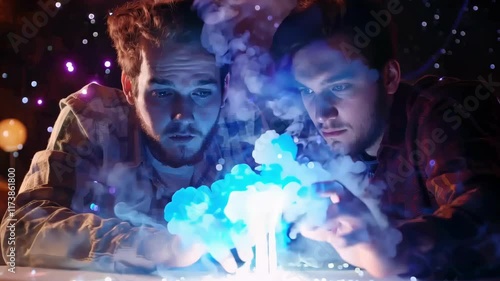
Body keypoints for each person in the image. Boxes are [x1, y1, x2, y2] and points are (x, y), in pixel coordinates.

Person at [0, 0, 264, 274]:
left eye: (202, 92)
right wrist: (156, 246)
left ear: (225, 86)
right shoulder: (94, 120)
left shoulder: (243, 126)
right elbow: (17, 232)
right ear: (129, 86)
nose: (182, 115)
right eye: (162, 93)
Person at [271, 0, 500, 279]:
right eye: (307, 91)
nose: (322, 113)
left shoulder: (442, 113)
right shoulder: (310, 142)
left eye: (339, 86)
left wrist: (394, 248)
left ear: (389, 77)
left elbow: (487, 213)